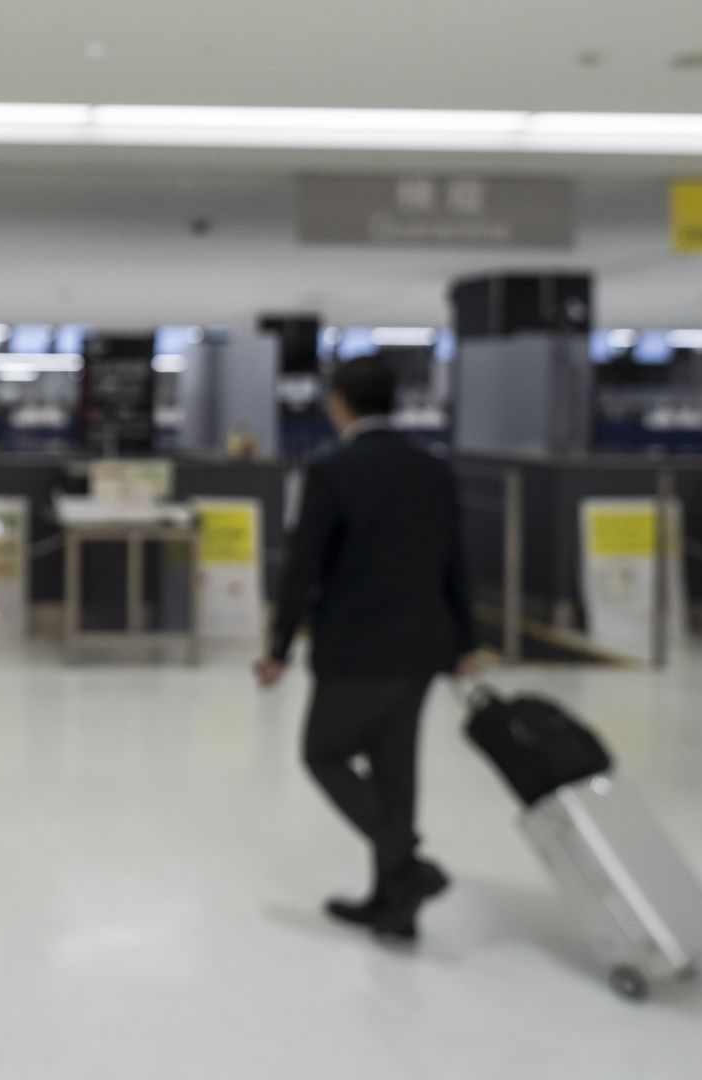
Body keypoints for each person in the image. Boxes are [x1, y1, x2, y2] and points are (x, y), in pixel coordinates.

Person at [254, 356, 476, 943]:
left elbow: (304, 566)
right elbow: (455, 560)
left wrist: (278, 646)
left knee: (322, 752)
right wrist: (466, 639)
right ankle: (392, 905)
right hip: (422, 646)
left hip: (357, 645)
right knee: (395, 771)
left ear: (339, 403)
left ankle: (406, 866)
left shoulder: (334, 472)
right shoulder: (432, 470)